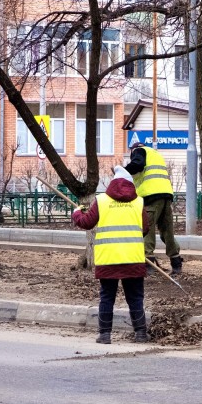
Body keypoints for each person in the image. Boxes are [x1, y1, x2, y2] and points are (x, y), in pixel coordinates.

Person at [72, 166, 151, 345]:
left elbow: (86, 223)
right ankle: (140, 333)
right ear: (131, 184)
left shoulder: (102, 201)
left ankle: (105, 335)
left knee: (107, 297)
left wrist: (77, 213)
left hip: (109, 259)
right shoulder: (138, 202)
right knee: (136, 298)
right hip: (133, 258)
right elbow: (145, 228)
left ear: (112, 183)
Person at [125, 141, 183, 275]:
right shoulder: (155, 154)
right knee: (167, 231)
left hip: (151, 196)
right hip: (165, 195)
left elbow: (137, 165)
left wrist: (123, 170)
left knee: (147, 229)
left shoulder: (140, 151)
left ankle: (148, 266)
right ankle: (176, 263)